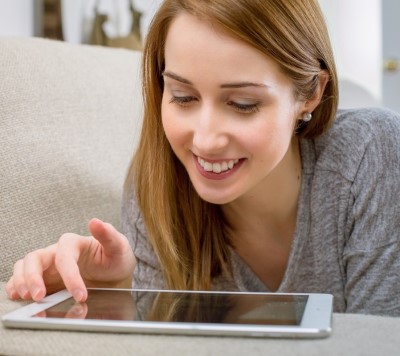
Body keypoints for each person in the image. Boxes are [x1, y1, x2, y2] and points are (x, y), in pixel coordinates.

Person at [6, 0, 400, 316]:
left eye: (243, 103)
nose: (206, 140)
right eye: (183, 97)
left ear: (310, 94)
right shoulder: (155, 185)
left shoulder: (370, 154)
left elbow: (380, 341)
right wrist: (120, 296)